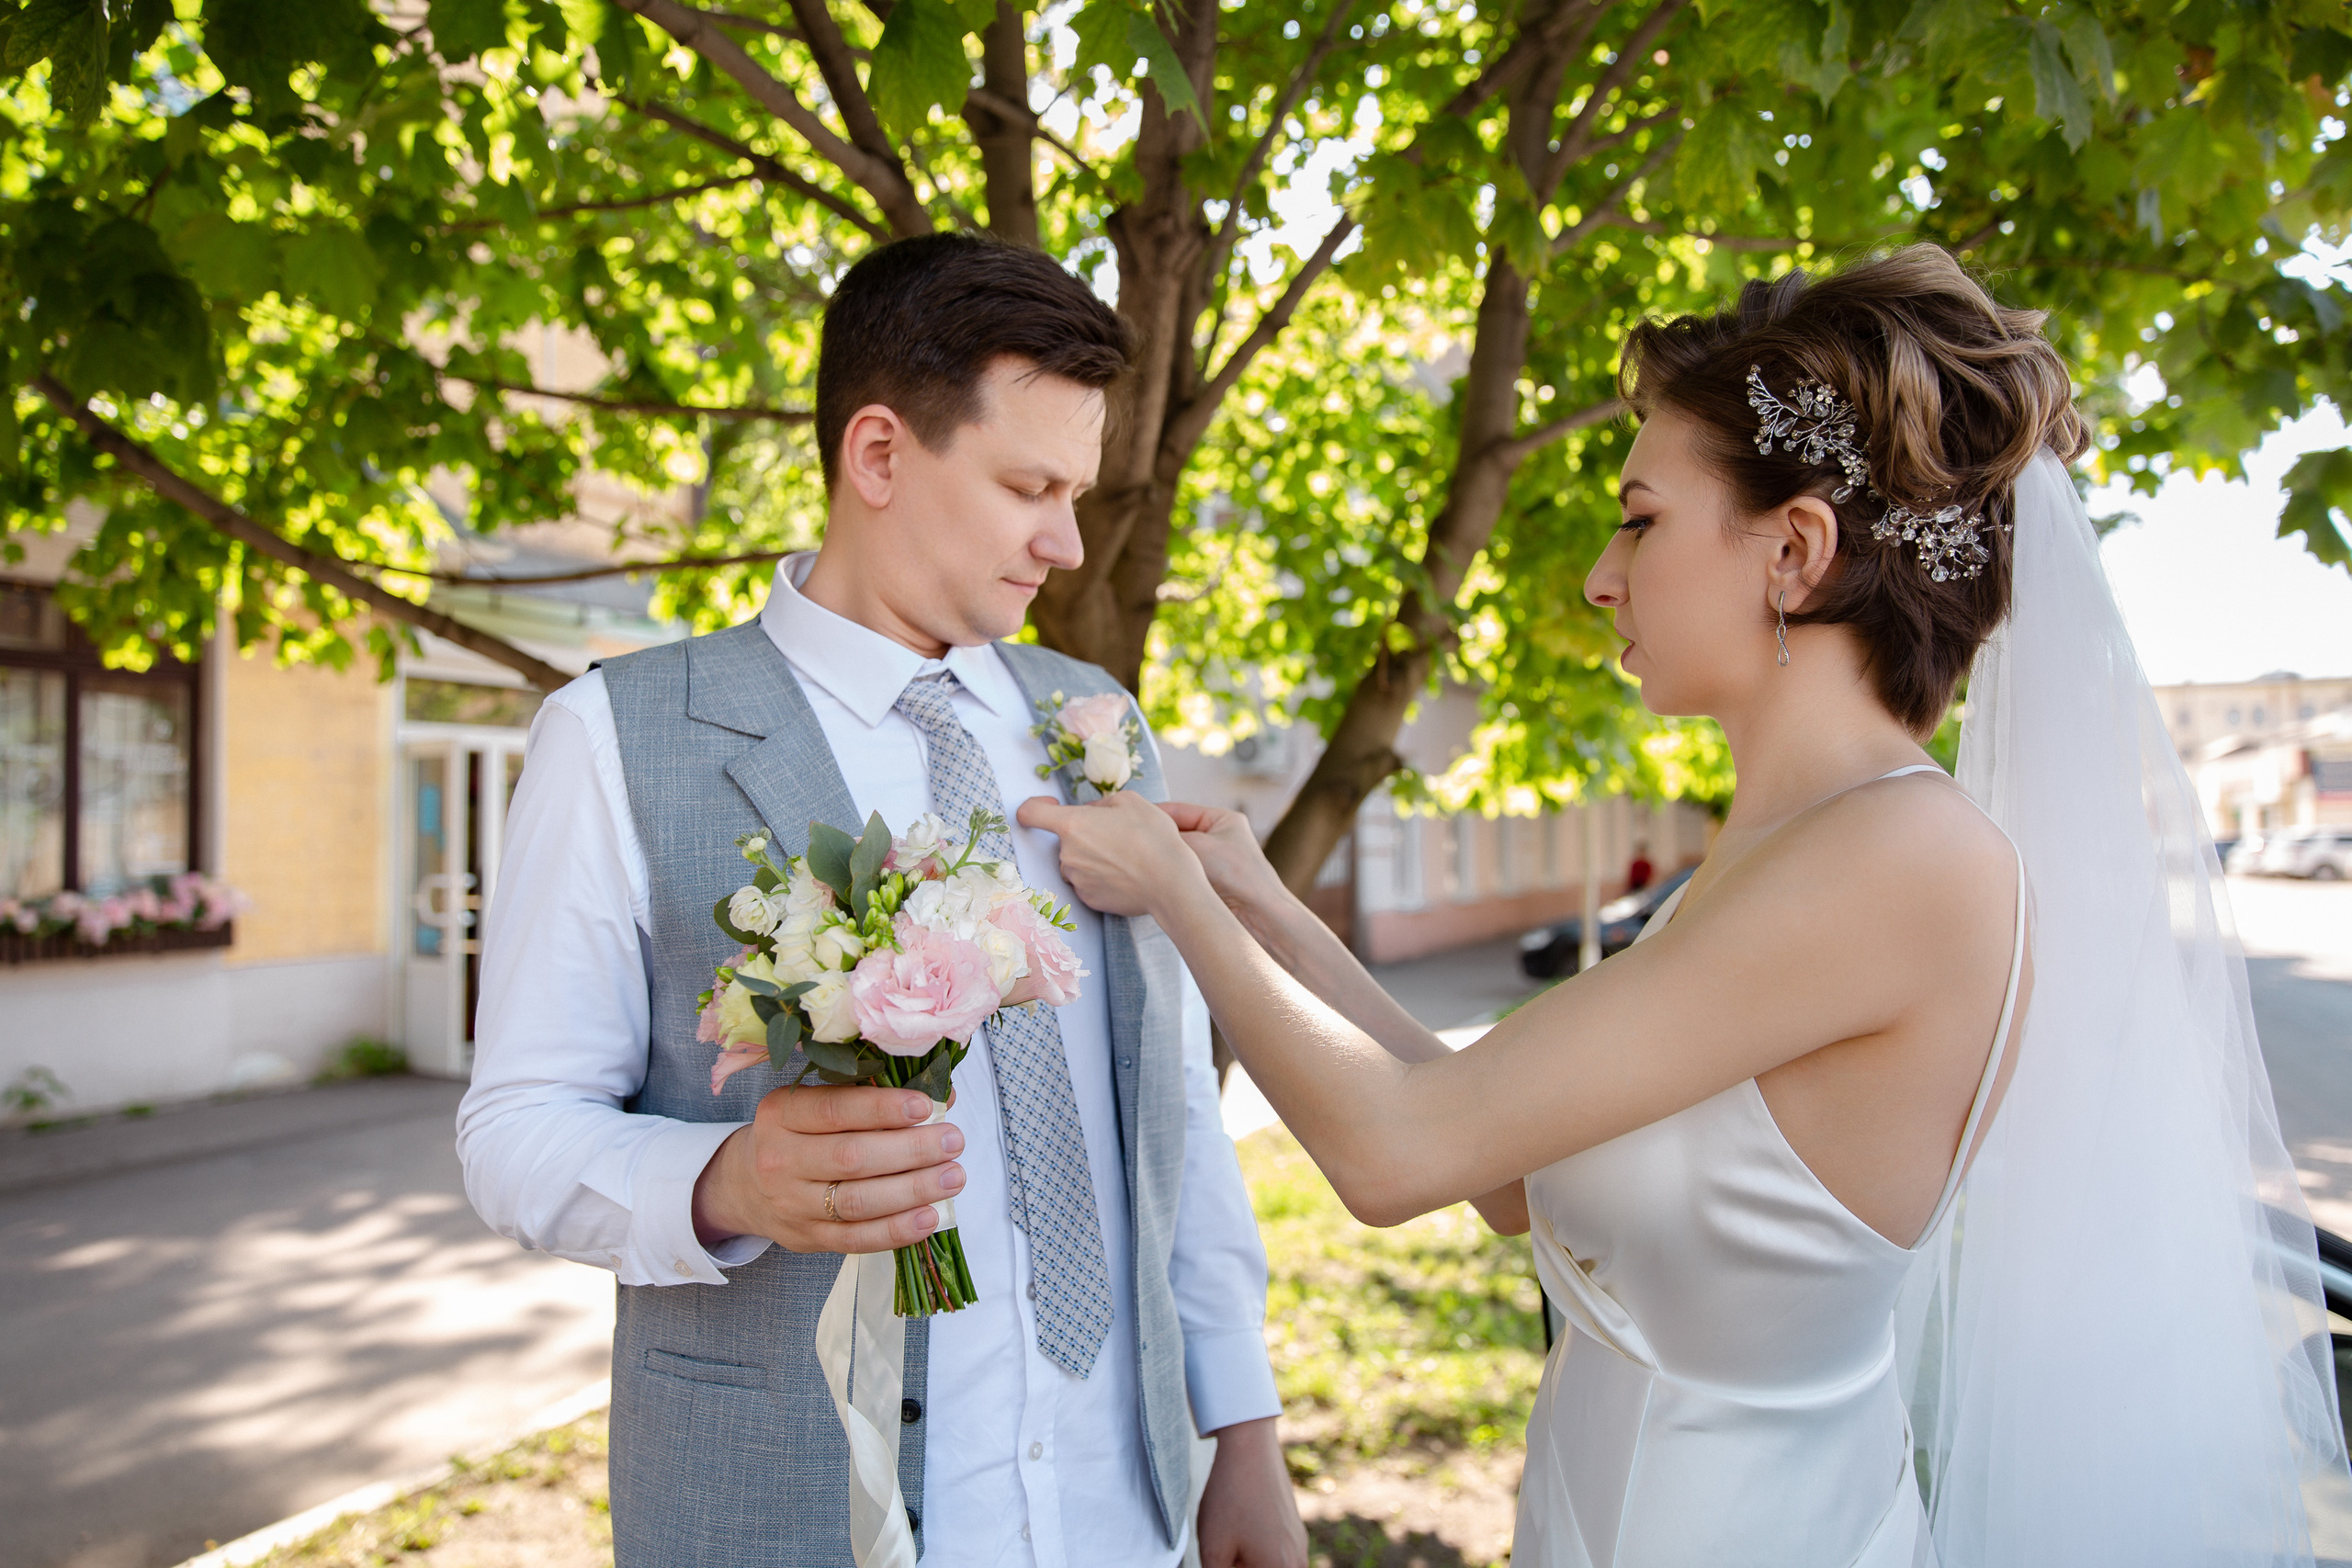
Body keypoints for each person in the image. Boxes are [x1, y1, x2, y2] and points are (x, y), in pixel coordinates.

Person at [1023, 246, 2345, 1566]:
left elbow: (1395, 1157)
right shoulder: (1776, 858)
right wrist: (1262, 901)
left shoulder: (1902, 863)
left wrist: (1177, 895)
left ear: (1796, 551)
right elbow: (1500, 1172)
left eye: (1641, 519)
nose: (1602, 576)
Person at [458, 233, 1306, 1568]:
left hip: (1122, 1507)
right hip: (791, 1511)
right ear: (879, 456)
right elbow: (513, 1129)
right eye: (1031, 485)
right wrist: (725, 1180)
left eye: (1077, 493)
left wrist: (1241, 1429)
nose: (1067, 543)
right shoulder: (616, 735)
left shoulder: (1100, 730)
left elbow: (1174, 1111)